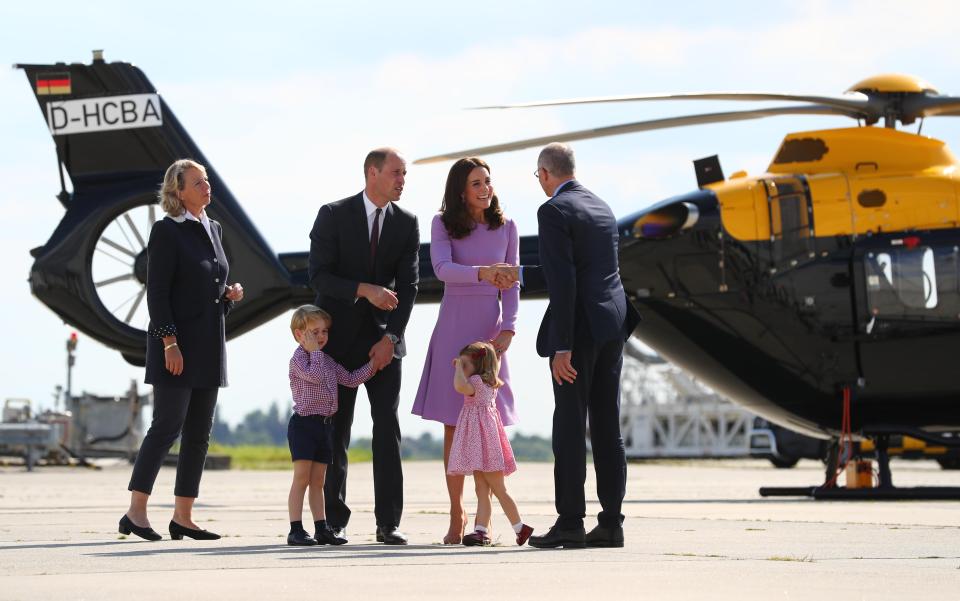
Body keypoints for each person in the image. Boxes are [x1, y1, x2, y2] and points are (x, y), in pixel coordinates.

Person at [492, 143, 640, 549]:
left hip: (578, 332)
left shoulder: (553, 211)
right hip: (612, 326)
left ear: (543, 174)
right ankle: (611, 523)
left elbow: (565, 282)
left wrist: (563, 345)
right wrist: (519, 273)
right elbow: (583, 270)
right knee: (608, 427)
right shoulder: (602, 207)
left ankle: (571, 522)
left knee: (570, 427)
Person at [121, 159, 244, 542]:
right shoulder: (166, 231)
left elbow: (205, 287)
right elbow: (157, 294)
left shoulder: (214, 229)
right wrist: (169, 342)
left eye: (207, 180)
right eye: (198, 182)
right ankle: (135, 513)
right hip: (175, 347)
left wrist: (227, 295)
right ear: (178, 192)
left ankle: (183, 517)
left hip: (209, 346)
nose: (207, 187)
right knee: (166, 427)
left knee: (198, 434)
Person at [308, 147, 420, 545]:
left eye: (404, 174)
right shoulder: (333, 214)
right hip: (336, 343)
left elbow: (409, 288)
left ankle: (388, 522)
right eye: (396, 173)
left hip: (384, 346)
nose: (402, 180)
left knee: (387, 429)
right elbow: (319, 277)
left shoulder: (407, 223)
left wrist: (391, 339)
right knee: (336, 431)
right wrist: (364, 290)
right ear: (372, 173)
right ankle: (333, 521)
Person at [411, 156, 520, 544]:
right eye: (476, 183)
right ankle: (456, 513)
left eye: (487, 181)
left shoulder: (507, 226)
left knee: (487, 426)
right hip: (454, 327)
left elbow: (513, 282)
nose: (485, 188)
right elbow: (441, 269)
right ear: (461, 190)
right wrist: (483, 272)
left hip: (489, 334)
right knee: (454, 425)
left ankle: (482, 518)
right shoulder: (442, 224)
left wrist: (509, 328)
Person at [286, 305, 375, 546]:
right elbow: (313, 375)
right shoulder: (299, 360)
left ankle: (321, 527)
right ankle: (295, 529)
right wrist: (315, 351)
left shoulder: (326, 360)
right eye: (314, 332)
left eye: (324, 331)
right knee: (302, 478)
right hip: (304, 425)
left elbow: (349, 379)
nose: (321, 337)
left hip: (324, 426)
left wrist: (373, 366)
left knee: (318, 481)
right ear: (299, 334)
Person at [447, 342, 533, 547]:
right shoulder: (489, 382)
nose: (463, 368)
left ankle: (520, 528)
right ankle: (481, 531)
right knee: (482, 490)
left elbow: (459, 386)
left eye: (466, 364)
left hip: (484, 447)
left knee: (499, 489)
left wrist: (458, 367)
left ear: (478, 365)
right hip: (483, 446)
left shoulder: (476, 382)